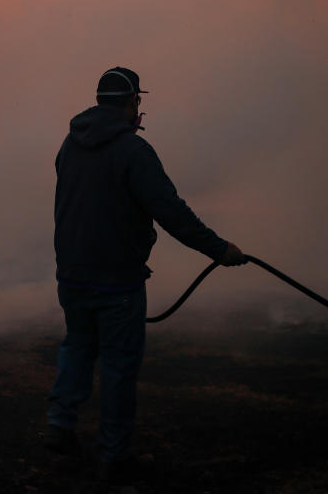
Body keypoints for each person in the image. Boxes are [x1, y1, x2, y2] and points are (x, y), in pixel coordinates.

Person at [45, 66, 247, 485]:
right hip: (117, 280)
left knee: (78, 346)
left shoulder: (70, 144)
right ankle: (114, 456)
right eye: (139, 101)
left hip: (72, 275)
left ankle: (60, 428)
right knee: (119, 366)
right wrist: (219, 249)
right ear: (132, 102)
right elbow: (170, 211)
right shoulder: (133, 151)